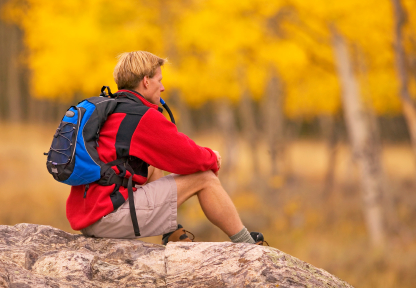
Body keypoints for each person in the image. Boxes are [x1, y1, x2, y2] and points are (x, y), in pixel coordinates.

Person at [66, 51, 266, 245]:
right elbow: (189, 157)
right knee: (205, 178)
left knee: (150, 165)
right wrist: (212, 157)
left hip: (90, 216)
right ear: (146, 81)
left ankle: (171, 233)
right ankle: (247, 244)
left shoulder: (110, 109)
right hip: (109, 218)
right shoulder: (141, 116)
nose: (162, 88)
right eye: (159, 80)